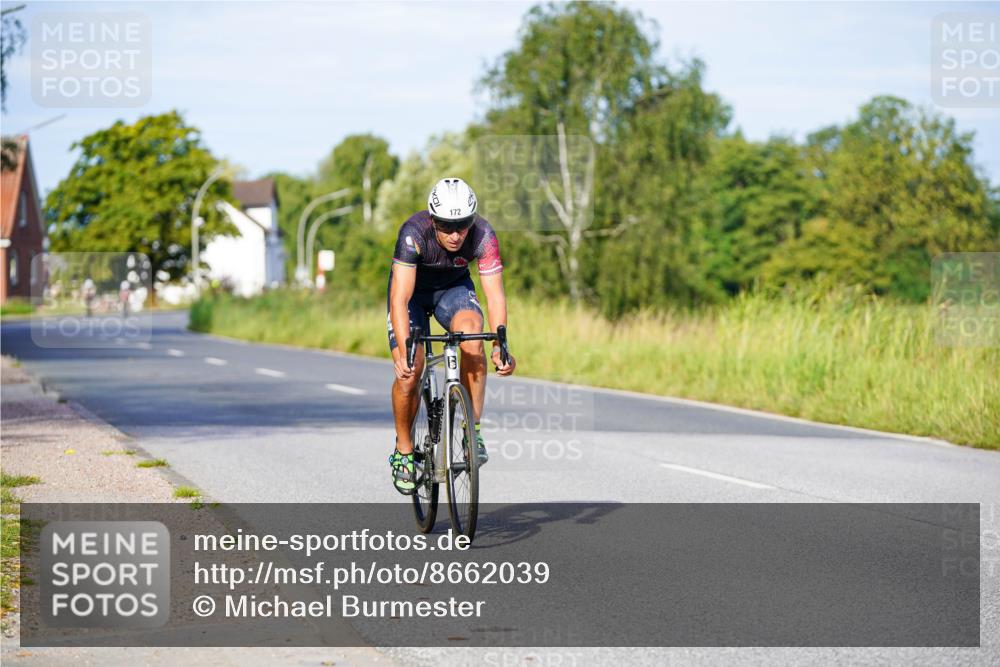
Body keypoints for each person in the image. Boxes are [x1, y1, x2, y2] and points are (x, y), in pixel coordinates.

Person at [387, 178, 516, 494]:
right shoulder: (413, 233)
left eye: (463, 225)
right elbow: (399, 299)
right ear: (432, 219)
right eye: (446, 226)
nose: (456, 234)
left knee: (473, 337)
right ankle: (404, 452)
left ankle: (471, 431)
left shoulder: (484, 236)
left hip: (454, 291)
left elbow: (495, 296)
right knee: (410, 371)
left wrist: (500, 343)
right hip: (413, 295)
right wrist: (404, 349)